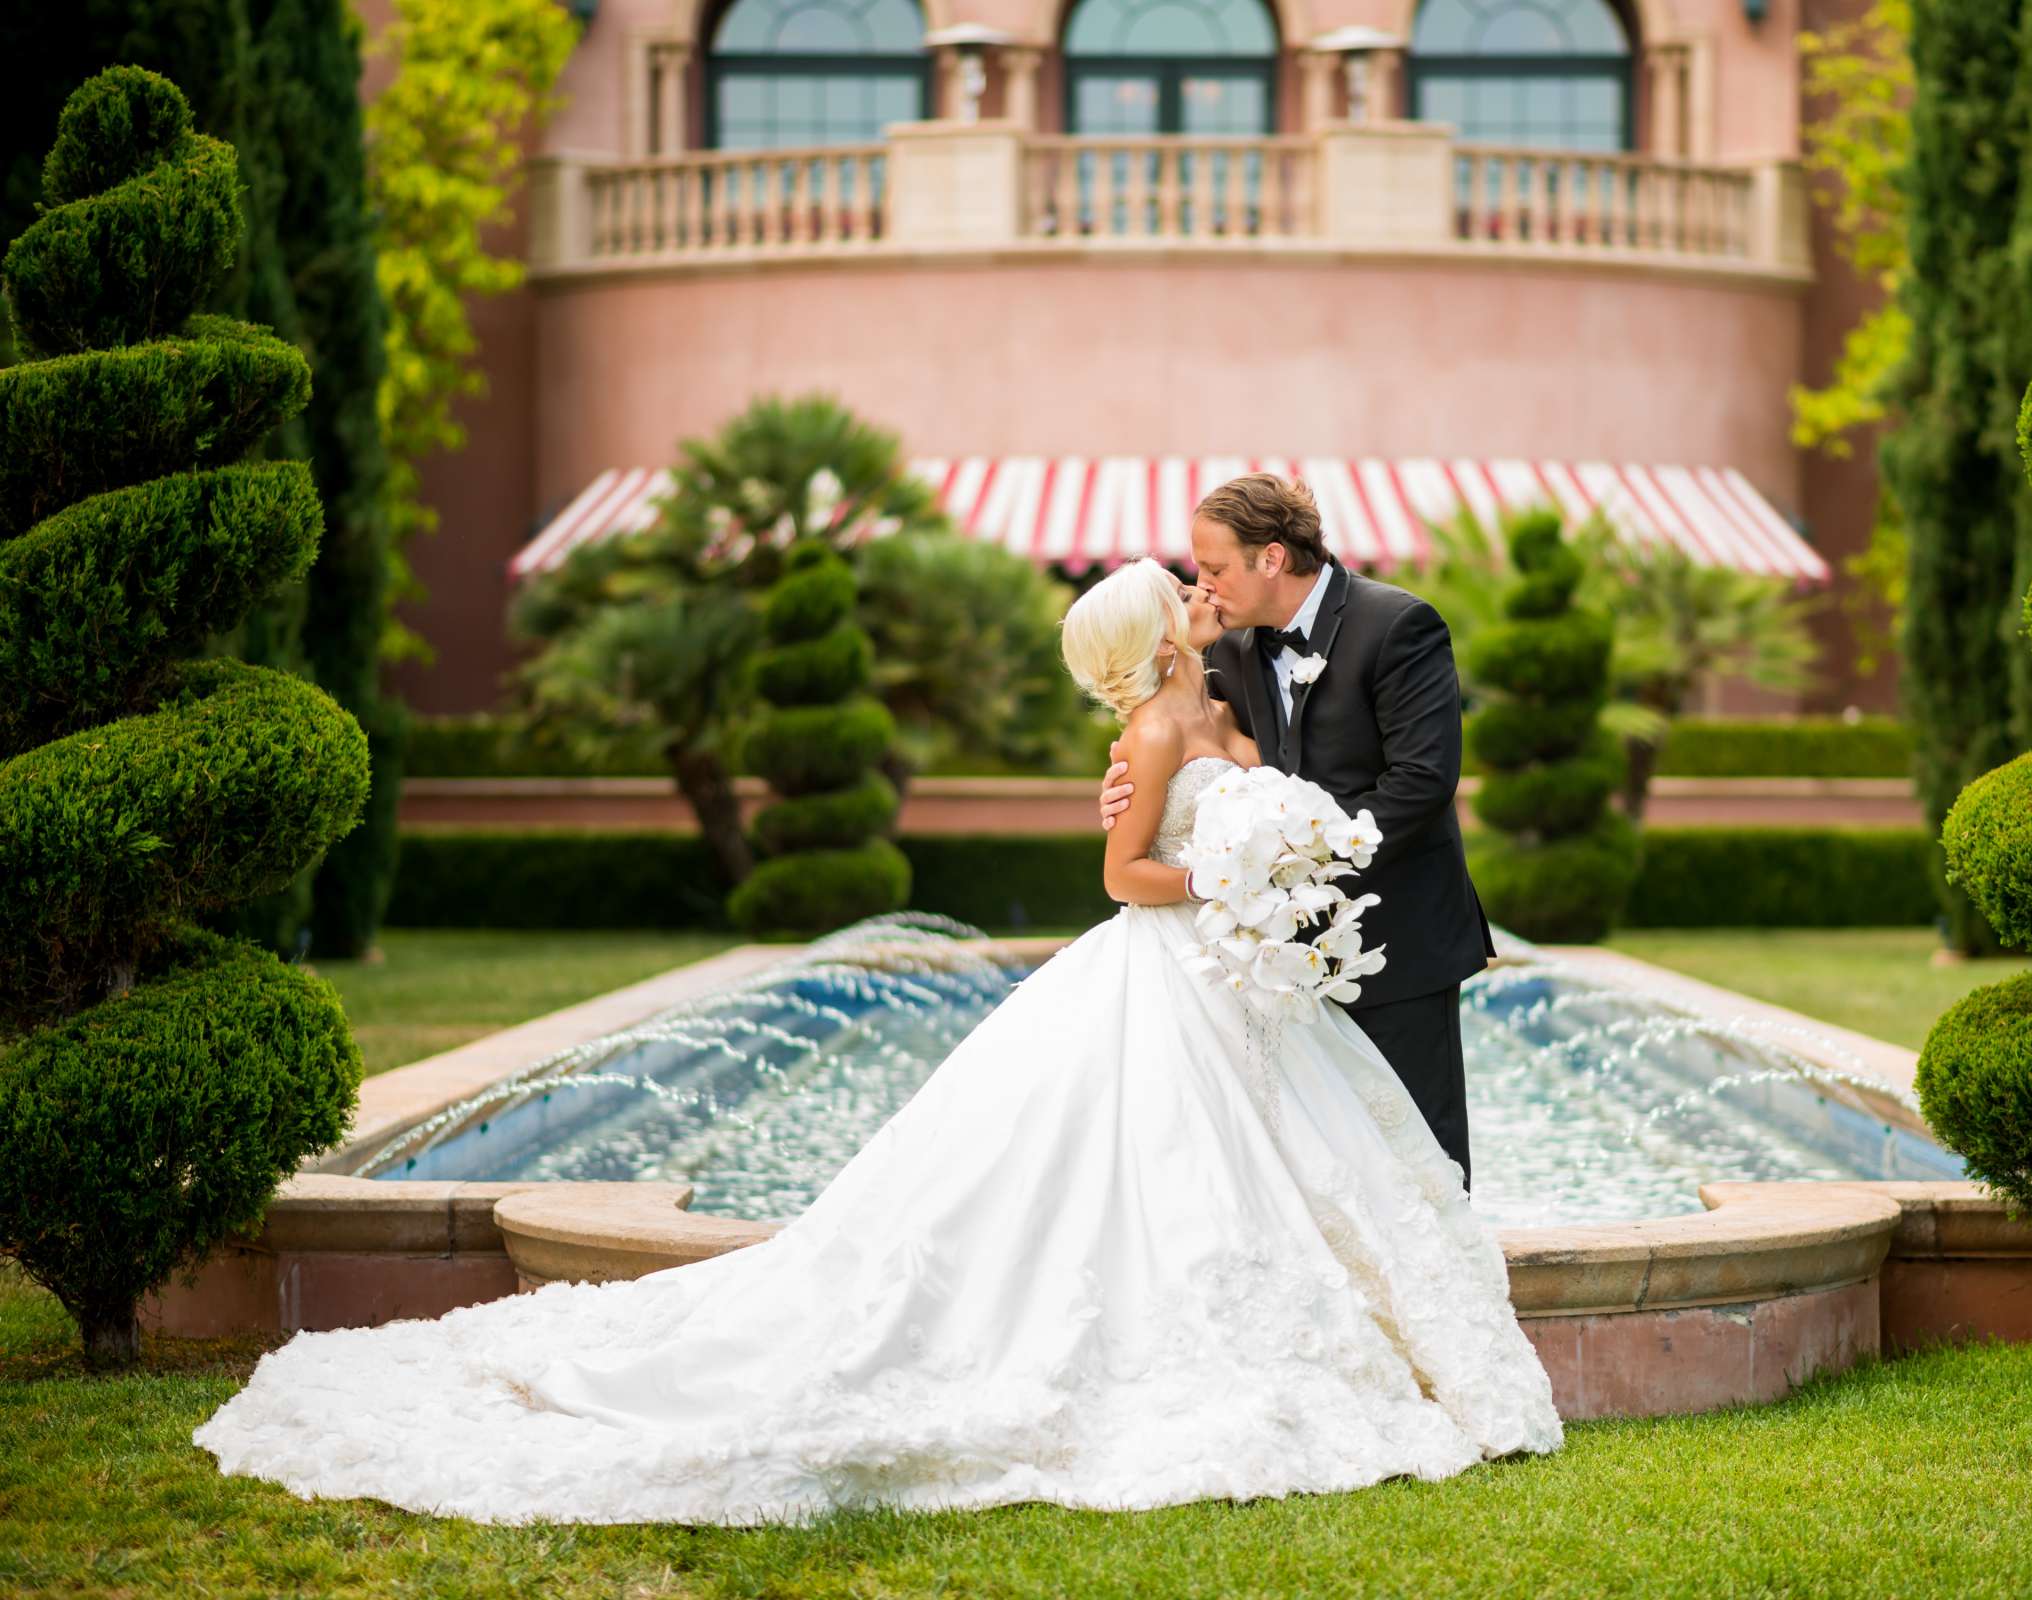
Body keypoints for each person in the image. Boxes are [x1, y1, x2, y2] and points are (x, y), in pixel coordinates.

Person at [191, 557, 1560, 1527]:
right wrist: (1225, 880)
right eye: (1177, 591)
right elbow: (1123, 875)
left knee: (1287, 1161)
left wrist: (1277, 846)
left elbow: (1279, 777)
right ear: (1155, 640)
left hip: (1239, 977)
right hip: (1172, 960)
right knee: (1129, 1163)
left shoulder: (1225, 701)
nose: (1196, 598)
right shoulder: (1154, 727)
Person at [1101, 474, 1494, 1188]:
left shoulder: (1400, 624)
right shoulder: (1229, 649)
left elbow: (1421, 782)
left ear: (1273, 559)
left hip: (1398, 936)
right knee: (1321, 1166)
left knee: (1421, 1157)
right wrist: (1128, 786)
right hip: (1276, 956)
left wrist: (1303, 868)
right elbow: (1193, 751)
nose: (1204, 586)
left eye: (1215, 568)